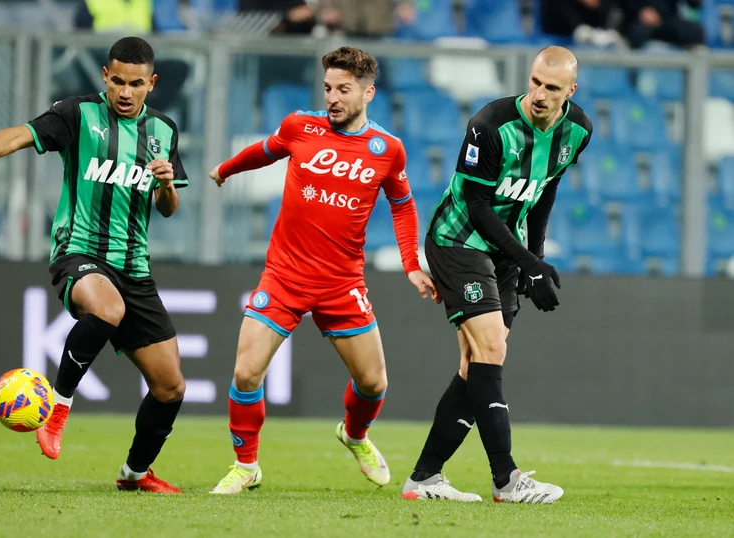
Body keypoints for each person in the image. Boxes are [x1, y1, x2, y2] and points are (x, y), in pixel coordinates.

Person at [0, 37, 188, 494]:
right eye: (117, 81)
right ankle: (59, 404)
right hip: (79, 252)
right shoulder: (78, 114)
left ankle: (134, 474)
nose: (124, 92)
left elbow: (168, 209)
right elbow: (19, 135)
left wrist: (167, 185)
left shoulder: (164, 131)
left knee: (171, 387)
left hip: (134, 268)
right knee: (107, 308)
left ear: (151, 83)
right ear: (105, 76)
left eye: (135, 84)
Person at [207, 46, 437, 495]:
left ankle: (354, 434)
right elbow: (265, 151)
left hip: (341, 283)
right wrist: (225, 170)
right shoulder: (300, 126)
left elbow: (403, 206)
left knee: (373, 382)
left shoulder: (387, 150)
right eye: (328, 87)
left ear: (368, 93)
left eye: (343, 89)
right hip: (284, 276)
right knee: (246, 373)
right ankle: (246, 465)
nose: (332, 97)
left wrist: (411, 264)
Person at [402, 46, 593, 504]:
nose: (539, 94)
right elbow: (477, 204)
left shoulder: (578, 130)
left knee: (477, 366)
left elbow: (545, 193)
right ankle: (506, 479)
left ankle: (424, 477)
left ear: (570, 90)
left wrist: (533, 260)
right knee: (491, 347)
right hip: (459, 240)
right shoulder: (489, 125)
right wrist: (530, 262)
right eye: (535, 82)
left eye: (551, 87)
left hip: (507, 251)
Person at [619, 0, 704, 50]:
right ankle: (632, 70)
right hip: (639, 21)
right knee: (637, 33)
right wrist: (640, 11)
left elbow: (695, 4)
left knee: (695, 32)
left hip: (667, 21)